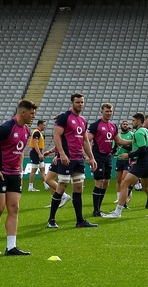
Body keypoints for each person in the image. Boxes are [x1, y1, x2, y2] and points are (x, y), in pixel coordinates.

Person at [0, 99, 37, 256]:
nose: (33, 116)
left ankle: (11, 247)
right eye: (32, 113)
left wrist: (20, 172)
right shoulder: (6, 127)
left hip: (14, 174)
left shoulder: (26, 131)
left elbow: (19, 152)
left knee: (14, 208)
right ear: (23, 113)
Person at [46, 93, 98, 229]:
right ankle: (51, 219)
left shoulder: (83, 119)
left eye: (82, 102)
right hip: (67, 159)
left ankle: (80, 221)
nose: (80, 104)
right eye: (78, 102)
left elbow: (85, 141)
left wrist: (91, 158)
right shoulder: (64, 117)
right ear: (72, 103)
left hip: (78, 159)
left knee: (78, 189)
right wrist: (61, 154)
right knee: (61, 186)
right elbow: (56, 136)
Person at [105, 112, 148, 218]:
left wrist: (129, 155)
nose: (132, 123)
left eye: (133, 121)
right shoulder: (146, 131)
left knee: (124, 183)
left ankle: (117, 212)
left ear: (139, 121)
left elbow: (142, 149)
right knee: (146, 187)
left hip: (142, 163)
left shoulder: (139, 132)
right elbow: (142, 147)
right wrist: (124, 145)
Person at [87, 103, 118, 217]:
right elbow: (87, 140)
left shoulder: (113, 126)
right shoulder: (96, 125)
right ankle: (96, 211)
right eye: (107, 111)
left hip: (108, 157)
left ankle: (98, 209)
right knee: (99, 183)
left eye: (110, 111)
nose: (109, 113)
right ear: (102, 112)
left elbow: (119, 141)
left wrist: (133, 142)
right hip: (97, 156)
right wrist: (88, 156)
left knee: (106, 183)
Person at [113, 120, 133, 206]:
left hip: (127, 160)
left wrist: (122, 145)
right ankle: (118, 197)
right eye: (124, 124)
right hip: (119, 159)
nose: (125, 125)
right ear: (121, 126)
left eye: (126, 124)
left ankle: (125, 197)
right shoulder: (118, 136)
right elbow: (114, 148)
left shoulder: (131, 135)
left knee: (125, 180)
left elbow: (131, 147)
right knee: (118, 179)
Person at [26, 120, 47, 192]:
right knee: (34, 170)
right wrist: (39, 154)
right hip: (35, 153)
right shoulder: (37, 133)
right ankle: (30, 186)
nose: (45, 126)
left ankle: (46, 185)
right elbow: (35, 144)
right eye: (44, 125)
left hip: (38, 152)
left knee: (42, 168)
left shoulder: (38, 132)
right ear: (40, 125)